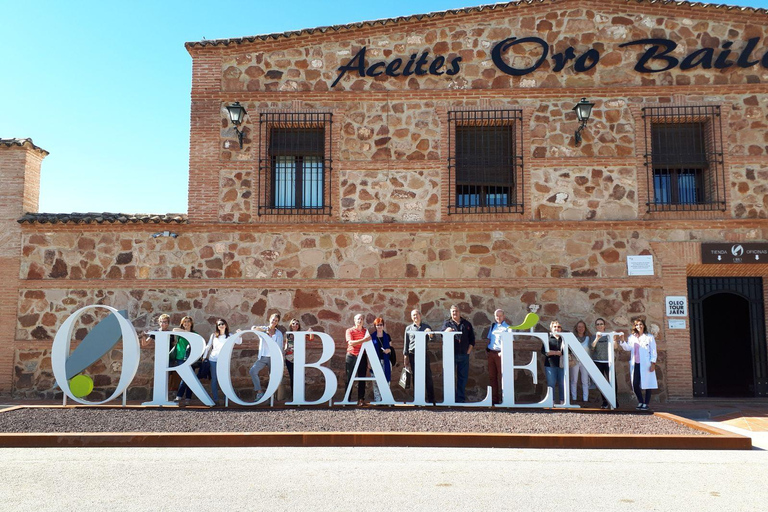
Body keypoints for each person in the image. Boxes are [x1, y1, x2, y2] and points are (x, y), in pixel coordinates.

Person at [620, 318, 658, 411]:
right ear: (635, 327)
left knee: (648, 383)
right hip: (636, 363)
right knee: (635, 383)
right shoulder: (632, 337)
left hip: (646, 363)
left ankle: (646, 403)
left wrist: (653, 363)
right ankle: (640, 401)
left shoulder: (649, 337)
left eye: (640, 324)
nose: (639, 326)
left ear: (643, 325)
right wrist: (622, 341)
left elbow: (653, 351)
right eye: (637, 325)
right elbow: (628, 348)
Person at [442, 304, 475, 403]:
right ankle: (450, 398)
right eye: (453, 311)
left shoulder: (467, 324)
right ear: (450, 313)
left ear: (459, 312)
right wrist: (446, 332)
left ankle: (460, 399)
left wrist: (468, 353)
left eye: (456, 311)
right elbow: (442, 336)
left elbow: (472, 340)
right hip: (450, 355)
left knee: (462, 377)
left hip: (463, 355)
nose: (454, 313)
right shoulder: (447, 324)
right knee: (450, 377)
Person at [248, 313, 283, 402]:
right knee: (253, 371)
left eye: (276, 320)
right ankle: (259, 392)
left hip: (274, 358)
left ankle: (271, 397)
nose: (274, 322)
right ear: (270, 319)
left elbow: (280, 347)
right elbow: (253, 328)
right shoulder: (263, 329)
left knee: (273, 377)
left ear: (278, 322)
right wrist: (265, 331)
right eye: (273, 319)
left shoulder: (279, 333)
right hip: (263, 357)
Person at [403, 309, 436, 404]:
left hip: (424, 354)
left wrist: (430, 334)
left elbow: (433, 340)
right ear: (411, 317)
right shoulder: (408, 328)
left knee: (428, 376)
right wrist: (406, 357)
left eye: (416, 315)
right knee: (415, 377)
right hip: (413, 355)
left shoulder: (426, 327)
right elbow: (406, 343)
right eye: (413, 315)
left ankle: (431, 399)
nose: (415, 317)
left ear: (420, 315)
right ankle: (418, 399)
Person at [204, 318, 239, 405]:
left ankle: (226, 398)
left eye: (222, 324)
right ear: (217, 327)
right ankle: (216, 399)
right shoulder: (214, 335)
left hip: (224, 361)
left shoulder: (230, 335)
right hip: (213, 359)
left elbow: (239, 341)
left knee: (224, 379)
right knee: (214, 379)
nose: (221, 325)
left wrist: (238, 334)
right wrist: (204, 356)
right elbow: (208, 346)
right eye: (219, 324)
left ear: (226, 325)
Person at [591, 317, 623, 409]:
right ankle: (604, 401)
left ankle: (614, 399)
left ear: (604, 325)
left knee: (613, 381)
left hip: (609, 362)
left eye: (601, 324)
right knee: (602, 382)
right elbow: (592, 348)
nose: (599, 326)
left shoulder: (609, 335)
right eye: (597, 324)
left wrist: (614, 340)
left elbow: (615, 347)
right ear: (595, 326)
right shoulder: (594, 336)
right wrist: (597, 339)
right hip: (598, 361)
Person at [345, 313, 371, 405]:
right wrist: (364, 340)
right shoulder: (349, 331)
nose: (359, 321)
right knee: (349, 378)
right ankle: (347, 399)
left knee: (362, 378)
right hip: (351, 356)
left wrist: (368, 361)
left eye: (361, 319)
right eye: (358, 319)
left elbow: (368, 347)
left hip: (362, 356)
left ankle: (361, 399)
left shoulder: (365, 331)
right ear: (354, 320)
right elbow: (351, 343)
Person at [486, 309, 509, 405]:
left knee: (502, 377)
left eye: (500, 316)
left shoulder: (507, 328)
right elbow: (489, 339)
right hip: (492, 353)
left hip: (501, 354)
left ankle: (505, 399)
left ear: (504, 316)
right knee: (492, 377)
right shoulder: (493, 326)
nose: (498, 318)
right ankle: (494, 399)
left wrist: (503, 352)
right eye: (496, 316)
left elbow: (510, 342)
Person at [172, 316, 196, 403]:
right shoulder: (180, 333)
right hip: (180, 358)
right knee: (186, 377)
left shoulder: (195, 333)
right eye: (184, 321)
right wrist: (185, 332)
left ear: (191, 323)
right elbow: (174, 330)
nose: (186, 323)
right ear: (182, 323)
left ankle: (186, 397)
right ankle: (181, 396)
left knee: (190, 378)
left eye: (188, 321)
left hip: (191, 358)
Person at [369, 317, 392, 402]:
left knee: (386, 380)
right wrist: (369, 362)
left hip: (385, 361)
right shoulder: (371, 337)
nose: (379, 326)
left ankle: (386, 399)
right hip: (375, 362)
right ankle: (378, 400)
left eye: (381, 325)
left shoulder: (387, 336)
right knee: (375, 381)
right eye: (377, 325)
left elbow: (391, 348)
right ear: (375, 326)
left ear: (383, 326)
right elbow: (369, 350)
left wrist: (388, 350)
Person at [543, 320, 565, 404]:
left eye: (558, 327)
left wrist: (553, 352)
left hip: (562, 365)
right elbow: (544, 351)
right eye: (555, 327)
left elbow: (568, 351)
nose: (557, 328)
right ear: (551, 328)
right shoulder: (547, 338)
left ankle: (562, 401)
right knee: (551, 384)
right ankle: (551, 401)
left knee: (562, 384)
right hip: (550, 365)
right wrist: (556, 353)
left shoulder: (564, 339)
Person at [569, 320, 591, 403]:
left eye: (582, 327)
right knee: (574, 380)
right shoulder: (573, 338)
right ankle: (574, 398)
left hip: (585, 362)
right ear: (576, 328)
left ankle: (585, 399)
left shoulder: (588, 339)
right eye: (579, 327)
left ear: (585, 328)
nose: (581, 328)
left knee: (585, 381)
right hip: (575, 361)